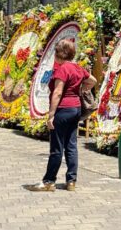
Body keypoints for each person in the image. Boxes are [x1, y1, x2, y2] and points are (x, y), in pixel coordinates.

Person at [29, 39, 96, 192]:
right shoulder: (78, 68)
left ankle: (49, 181)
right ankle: (71, 181)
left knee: (57, 148)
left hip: (63, 109)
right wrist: (82, 89)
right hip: (75, 109)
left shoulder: (62, 69)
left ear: (59, 53)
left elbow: (58, 92)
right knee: (71, 146)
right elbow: (93, 80)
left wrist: (51, 115)